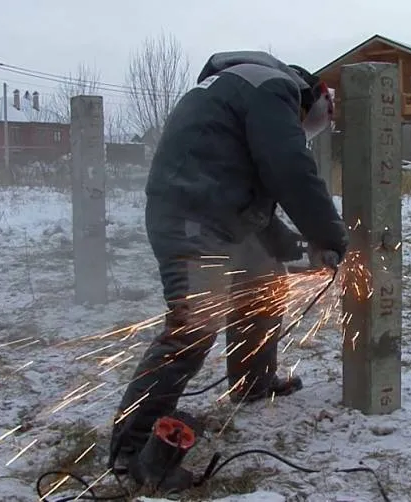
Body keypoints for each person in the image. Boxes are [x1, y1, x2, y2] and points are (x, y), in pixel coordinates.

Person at [108, 51, 349, 473]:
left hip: (206, 211)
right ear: (313, 97)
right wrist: (330, 236)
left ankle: (252, 382)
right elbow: (289, 170)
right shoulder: (274, 89)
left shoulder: (241, 85)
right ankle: (130, 451)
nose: (302, 134)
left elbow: (244, 183)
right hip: (192, 220)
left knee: (265, 283)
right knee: (193, 327)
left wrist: (289, 244)